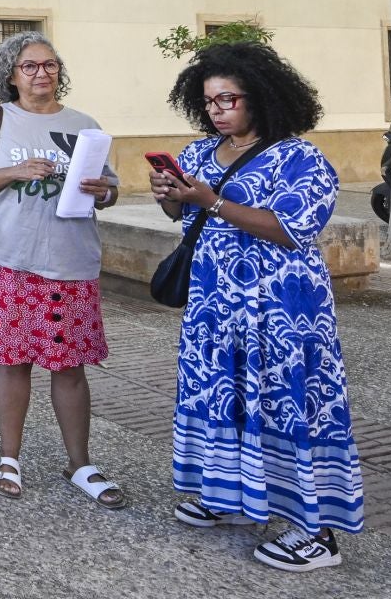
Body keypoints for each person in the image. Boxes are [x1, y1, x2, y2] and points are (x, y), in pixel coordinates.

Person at [153, 43, 362, 571]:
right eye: (209, 101)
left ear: (262, 98)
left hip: (282, 310)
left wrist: (211, 201)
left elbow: (293, 229)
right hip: (215, 308)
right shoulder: (199, 153)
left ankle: (315, 533)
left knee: (285, 401)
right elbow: (184, 215)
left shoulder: (301, 159)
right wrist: (170, 193)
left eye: (229, 99)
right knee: (224, 396)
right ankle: (230, 497)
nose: (217, 110)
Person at [0, 31, 123, 509]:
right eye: (30, 66)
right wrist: (14, 172)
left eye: (49, 65)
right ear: (12, 74)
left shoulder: (84, 123)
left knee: (70, 367)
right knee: (13, 363)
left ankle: (80, 463)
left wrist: (103, 191)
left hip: (72, 260)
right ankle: (8, 457)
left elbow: (111, 189)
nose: (41, 74)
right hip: (13, 258)